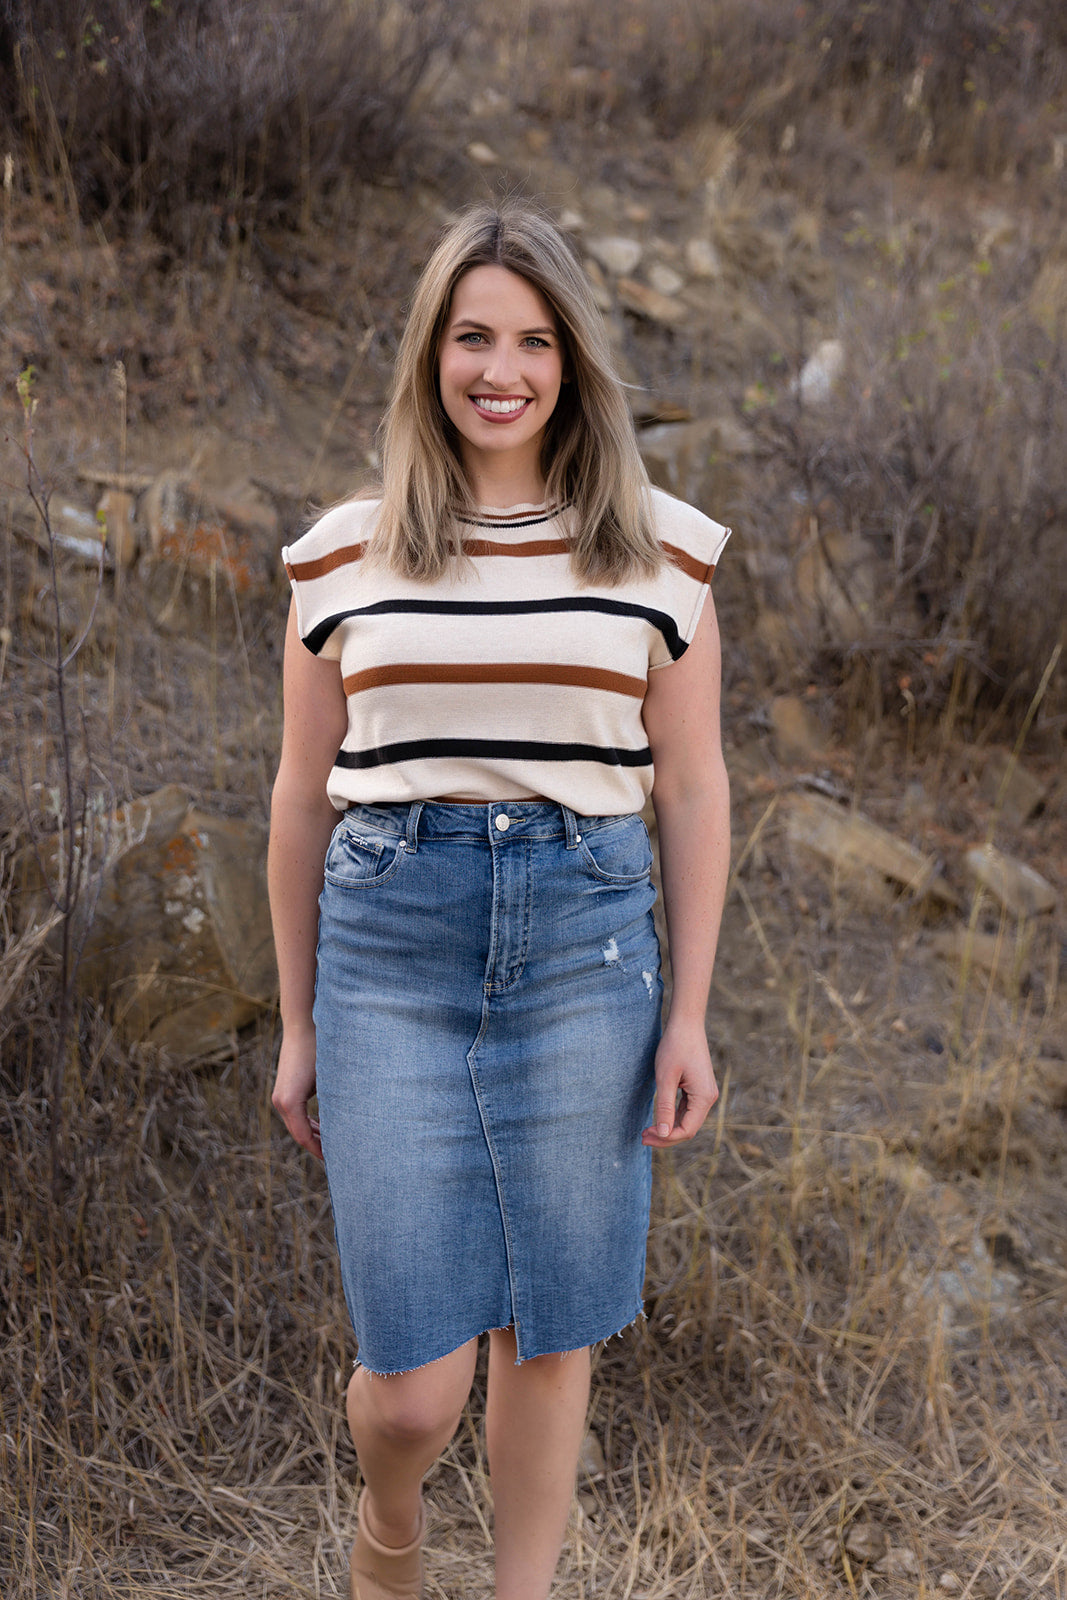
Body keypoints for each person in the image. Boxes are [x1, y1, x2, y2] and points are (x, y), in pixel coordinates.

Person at [268, 202, 731, 1600]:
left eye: (533, 341)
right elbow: (298, 796)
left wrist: (690, 1017)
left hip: (588, 951)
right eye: (473, 336)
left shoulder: (662, 552)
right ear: (432, 354)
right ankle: (391, 1530)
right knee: (414, 1389)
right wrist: (296, 1028)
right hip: (388, 950)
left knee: (550, 1334)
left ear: (574, 364)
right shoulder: (340, 556)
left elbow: (696, 790)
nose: (501, 369)